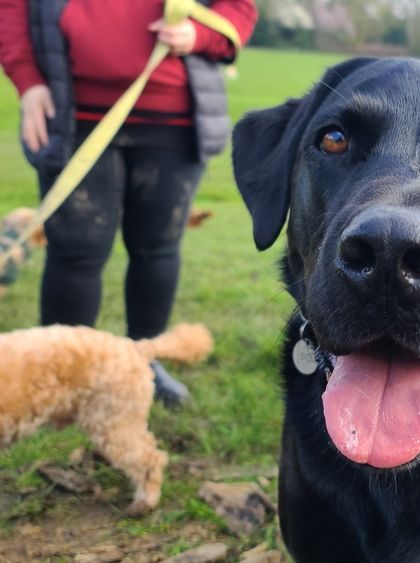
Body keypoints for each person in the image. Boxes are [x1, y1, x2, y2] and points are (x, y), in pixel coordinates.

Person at [0, 0, 257, 406]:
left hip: (173, 120)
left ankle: (144, 364)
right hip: (73, 117)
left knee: (156, 248)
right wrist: (28, 82)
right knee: (75, 252)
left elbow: (238, 8)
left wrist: (200, 35)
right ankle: (59, 373)